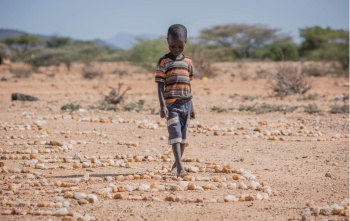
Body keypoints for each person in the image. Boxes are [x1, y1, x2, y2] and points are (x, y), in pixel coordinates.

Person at [155, 24, 195, 177]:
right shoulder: (164, 62)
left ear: (186, 42)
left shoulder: (188, 62)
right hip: (171, 105)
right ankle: (180, 168)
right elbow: (160, 85)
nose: (176, 49)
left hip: (186, 104)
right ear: (167, 41)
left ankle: (176, 164)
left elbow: (188, 84)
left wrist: (192, 105)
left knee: (183, 138)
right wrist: (162, 105)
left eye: (180, 46)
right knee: (175, 135)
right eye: (172, 46)